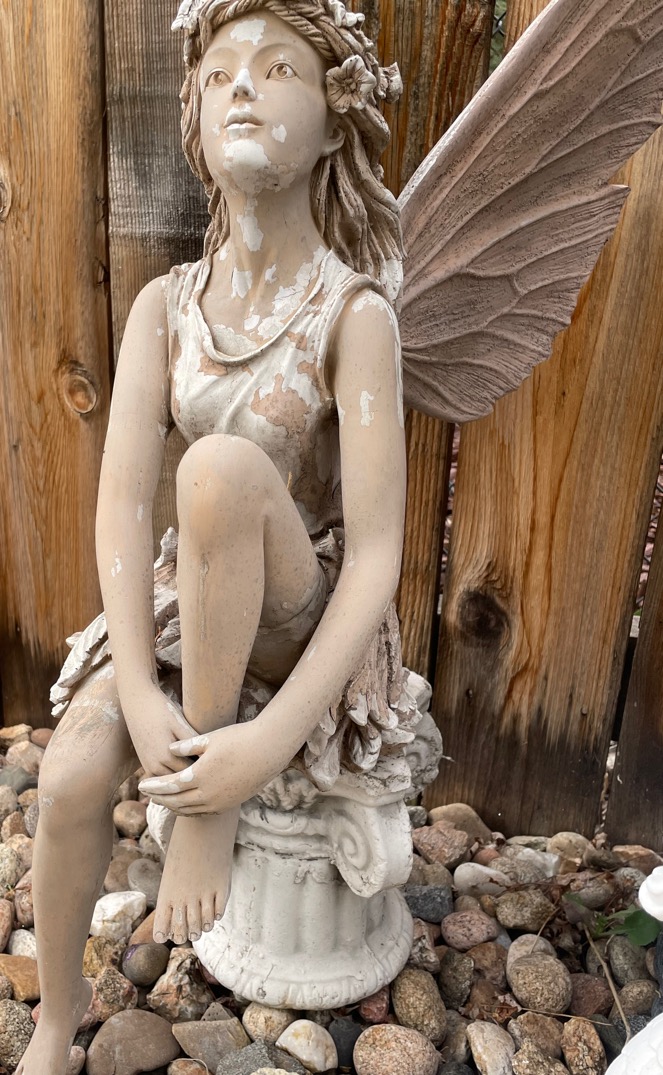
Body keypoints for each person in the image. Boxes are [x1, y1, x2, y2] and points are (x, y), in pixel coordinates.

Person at [19, 3, 409, 1071]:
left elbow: (378, 555)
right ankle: (55, 1016)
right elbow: (119, 507)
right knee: (69, 775)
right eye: (223, 71)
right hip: (187, 602)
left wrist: (260, 748)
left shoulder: (352, 315)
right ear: (193, 113)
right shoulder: (165, 306)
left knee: (221, 469)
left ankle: (207, 816)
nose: (242, 84)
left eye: (278, 69)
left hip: (296, 610)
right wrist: (134, 689)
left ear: (331, 125)